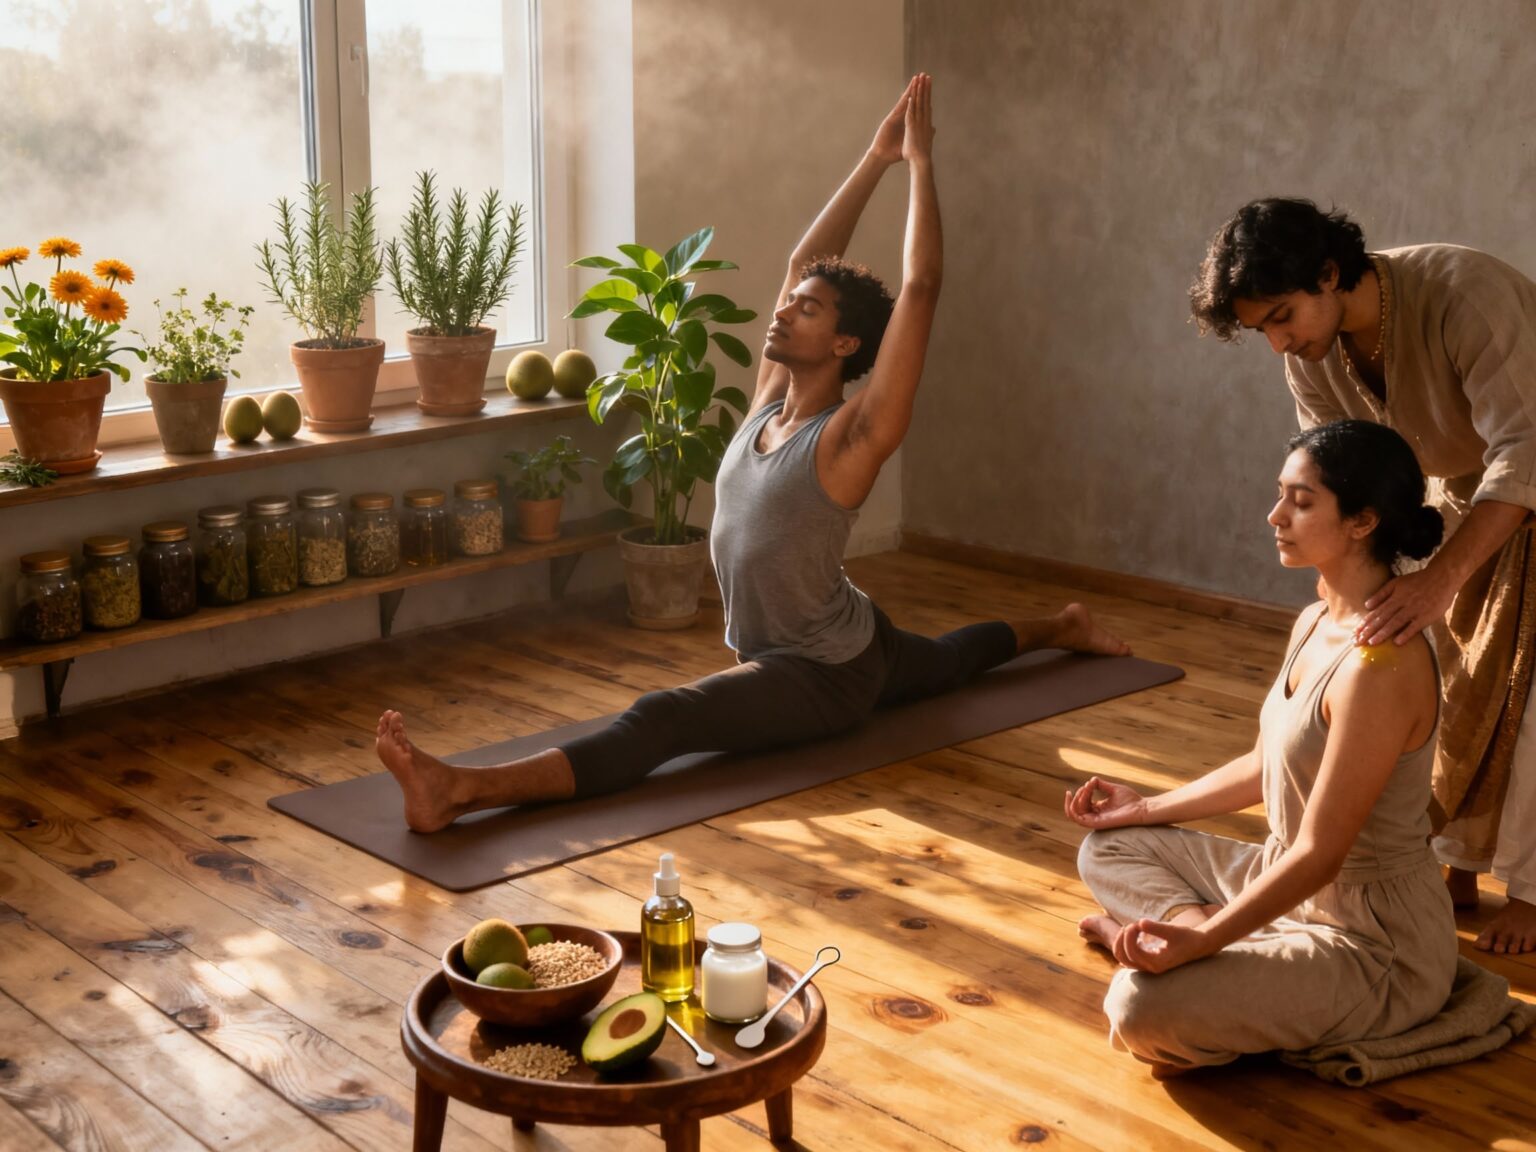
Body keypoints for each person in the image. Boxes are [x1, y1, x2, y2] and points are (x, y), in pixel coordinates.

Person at [376, 75, 1128, 831]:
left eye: (808, 308)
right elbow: (805, 257)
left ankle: (461, 790)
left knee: (662, 719)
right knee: (948, 662)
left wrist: (921, 163)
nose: (785, 308)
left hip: (821, 672)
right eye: (790, 300)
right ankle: (1062, 625)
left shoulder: (851, 437)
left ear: (844, 344)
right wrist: (876, 158)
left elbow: (922, 286)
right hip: (853, 630)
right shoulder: (770, 398)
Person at [1189, 198, 1536, 955]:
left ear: (1328, 272)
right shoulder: (1309, 354)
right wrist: (1348, 587)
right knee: (1457, 681)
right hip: (1469, 495)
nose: (1279, 342)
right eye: (1262, 329)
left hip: (1526, 472)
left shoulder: (1463, 295)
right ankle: (1456, 863)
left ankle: (1532, 894)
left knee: (1533, 704)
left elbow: (1525, 447)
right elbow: (1346, 474)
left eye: (1282, 316)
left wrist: (1441, 578)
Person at [1066, 420, 1456, 1075]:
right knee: (1107, 846)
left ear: (1362, 522)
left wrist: (1201, 946)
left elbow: (1321, 855)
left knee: (1137, 1007)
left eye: (1301, 502)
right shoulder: (1313, 619)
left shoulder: (1380, 666)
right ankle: (1209, 941)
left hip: (1371, 939)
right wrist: (1145, 809)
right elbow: (1263, 763)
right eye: (1281, 495)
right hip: (1285, 878)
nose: (1276, 516)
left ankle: (1196, 948)